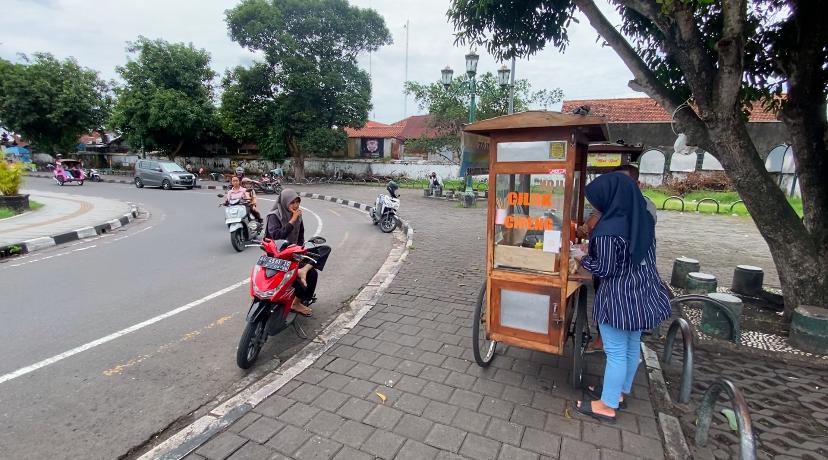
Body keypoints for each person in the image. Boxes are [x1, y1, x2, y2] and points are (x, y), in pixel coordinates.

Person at [574, 172, 671, 424]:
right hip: (644, 292)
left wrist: (581, 257)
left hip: (620, 298)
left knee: (615, 351)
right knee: (630, 345)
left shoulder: (609, 230)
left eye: (598, 200)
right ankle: (617, 393)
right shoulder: (643, 219)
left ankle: (606, 405)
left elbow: (605, 269)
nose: (596, 206)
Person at [264, 189, 331, 317]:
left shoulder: (298, 216)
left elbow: (300, 236)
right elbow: (276, 236)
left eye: (297, 202)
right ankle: (301, 276)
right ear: (284, 202)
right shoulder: (274, 216)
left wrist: (300, 252)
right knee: (311, 275)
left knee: (324, 249)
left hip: (293, 254)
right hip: (277, 256)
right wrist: (292, 221)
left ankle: (303, 272)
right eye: (292, 202)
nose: (295, 206)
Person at [576, 164, 656, 239]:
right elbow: (588, 228)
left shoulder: (646, 206)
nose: (618, 187)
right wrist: (583, 231)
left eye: (623, 183)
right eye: (615, 183)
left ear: (637, 184)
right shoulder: (607, 203)